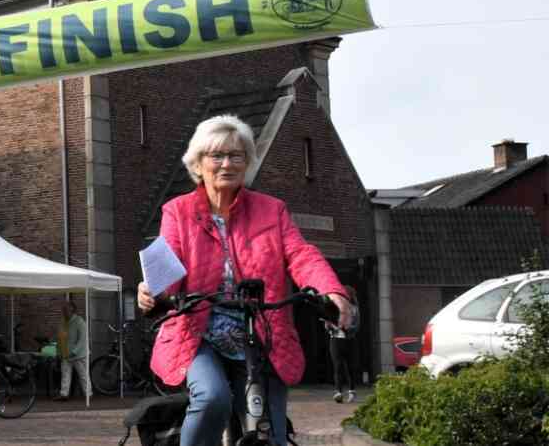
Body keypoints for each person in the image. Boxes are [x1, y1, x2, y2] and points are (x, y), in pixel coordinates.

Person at [137, 114, 354, 446]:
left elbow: (299, 253)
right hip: (198, 334)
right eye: (217, 155)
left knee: (271, 434)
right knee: (212, 398)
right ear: (198, 164)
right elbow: (168, 266)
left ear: (247, 162)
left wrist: (329, 290)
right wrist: (155, 293)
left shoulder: (272, 211)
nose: (227, 163)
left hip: (260, 334)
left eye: (236, 155)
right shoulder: (177, 212)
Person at [325, 285, 359, 404]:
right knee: (337, 366)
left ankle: (352, 391)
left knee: (350, 367)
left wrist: (347, 329)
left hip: (349, 340)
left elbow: (357, 325)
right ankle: (338, 392)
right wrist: (330, 327)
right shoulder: (335, 307)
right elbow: (327, 323)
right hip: (336, 339)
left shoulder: (354, 308)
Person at [56, 300, 91, 404]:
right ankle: (64, 394)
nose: (64, 311)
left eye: (66, 309)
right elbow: (60, 337)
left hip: (79, 354)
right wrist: (59, 351)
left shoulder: (79, 321)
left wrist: (75, 351)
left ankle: (88, 394)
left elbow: (83, 338)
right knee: (65, 374)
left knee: (83, 374)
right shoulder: (62, 322)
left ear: (72, 310)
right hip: (66, 353)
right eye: (63, 309)